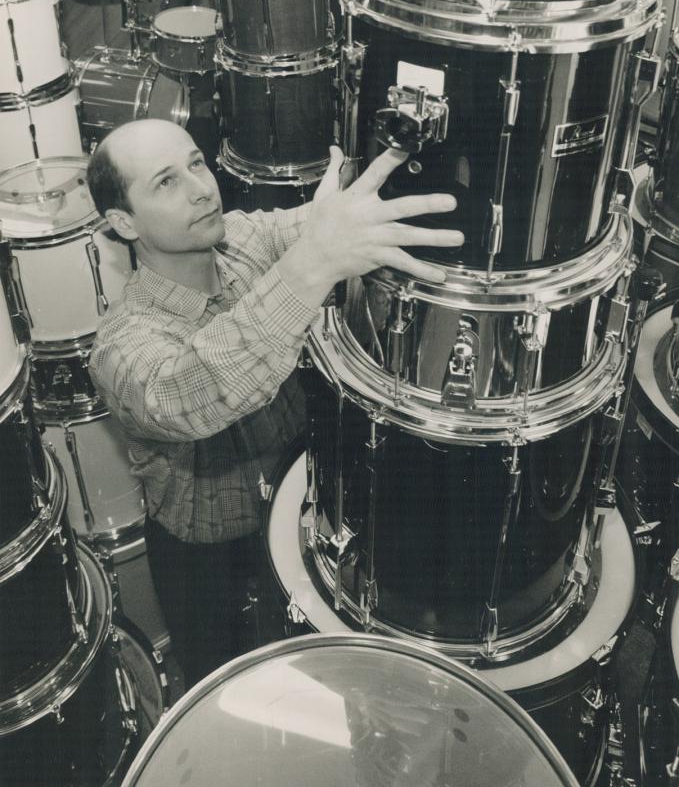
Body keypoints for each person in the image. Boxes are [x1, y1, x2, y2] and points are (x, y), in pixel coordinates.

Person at [87, 118, 463, 687]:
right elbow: (195, 390)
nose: (200, 187)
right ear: (122, 222)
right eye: (165, 182)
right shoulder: (120, 346)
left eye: (196, 163)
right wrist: (313, 264)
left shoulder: (239, 239)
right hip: (211, 567)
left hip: (300, 508)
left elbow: (318, 225)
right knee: (238, 714)